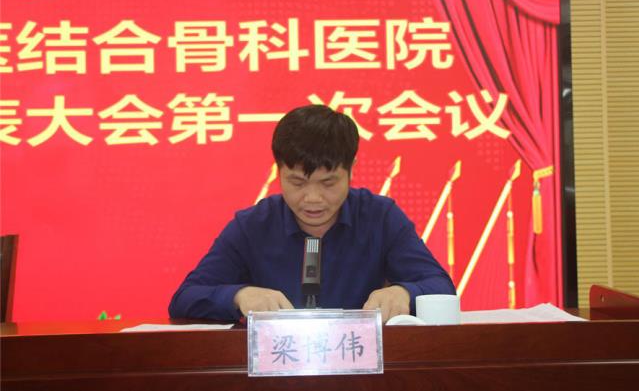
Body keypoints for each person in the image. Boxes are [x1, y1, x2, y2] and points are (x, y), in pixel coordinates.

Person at [169, 105, 455, 322]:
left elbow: (441, 287)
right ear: (278, 171)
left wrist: (404, 292)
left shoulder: (380, 217)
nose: (313, 199)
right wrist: (238, 296)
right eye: (297, 183)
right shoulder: (252, 225)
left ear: (351, 170)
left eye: (328, 183)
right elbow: (185, 298)